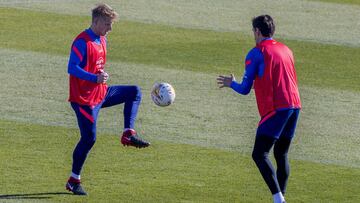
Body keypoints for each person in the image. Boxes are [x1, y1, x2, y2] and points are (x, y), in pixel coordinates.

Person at [66, 3, 150, 195]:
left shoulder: (102, 39)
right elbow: (72, 68)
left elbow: (95, 65)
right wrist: (94, 77)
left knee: (134, 92)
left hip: (101, 93)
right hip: (84, 101)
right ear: (96, 21)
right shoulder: (82, 41)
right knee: (89, 138)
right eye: (107, 23)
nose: (110, 28)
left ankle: (128, 133)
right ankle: (73, 180)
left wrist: (100, 75)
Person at [217, 15, 301, 203]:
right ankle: (281, 198)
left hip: (276, 108)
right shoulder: (286, 50)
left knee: (259, 154)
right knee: (281, 153)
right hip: (294, 105)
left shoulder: (256, 53)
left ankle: (279, 200)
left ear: (257, 31)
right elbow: (277, 78)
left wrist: (232, 84)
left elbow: (245, 89)